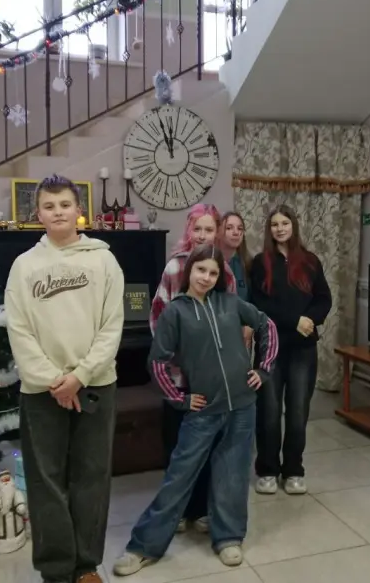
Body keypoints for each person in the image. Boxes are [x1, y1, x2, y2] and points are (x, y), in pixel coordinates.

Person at [113, 245, 278, 576]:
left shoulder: (230, 303)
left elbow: (267, 326)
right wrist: (180, 399)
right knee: (179, 477)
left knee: (233, 475)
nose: (206, 277)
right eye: (201, 270)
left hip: (242, 407)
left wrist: (263, 369)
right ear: (190, 270)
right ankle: (142, 547)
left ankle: (228, 537)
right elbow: (157, 362)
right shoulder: (175, 312)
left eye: (213, 273)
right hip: (203, 411)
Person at [5, 174, 125, 583]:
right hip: (41, 391)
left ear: (79, 211)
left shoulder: (103, 261)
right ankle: (56, 570)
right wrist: (55, 380)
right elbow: (19, 330)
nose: (57, 212)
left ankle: (86, 564)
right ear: (38, 214)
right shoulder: (24, 266)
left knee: (92, 476)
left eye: (64, 205)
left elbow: (112, 326)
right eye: (49, 206)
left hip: (96, 385)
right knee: (46, 481)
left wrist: (80, 376)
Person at [149, 204, 237, 534]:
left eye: (208, 229)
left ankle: (200, 509)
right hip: (178, 375)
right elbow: (158, 317)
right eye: (196, 228)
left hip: (210, 377)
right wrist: (179, 353)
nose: (202, 235)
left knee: (209, 446)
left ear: (217, 233)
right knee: (177, 447)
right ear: (189, 230)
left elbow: (230, 319)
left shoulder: (225, 272)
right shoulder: (175, 267)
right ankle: (176, 509)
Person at [249, 205, 332, 496]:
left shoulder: (310, 261)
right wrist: (294, 320)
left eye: (285, 223)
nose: (280, 228)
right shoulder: (260, 262)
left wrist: (310, 319)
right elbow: (259, 304)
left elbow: (324, 299)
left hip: (302, 350)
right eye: (275, 224)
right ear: (269, 229)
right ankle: (267, 470)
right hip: (269, 349)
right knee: (268, 412)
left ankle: (294, 469)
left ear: (293, 226)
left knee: (298, 412)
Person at [219, 211, 251, 301]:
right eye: (229, 228)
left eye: (240, 228)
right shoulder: (211, 262)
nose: (236, 232)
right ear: (219, 231)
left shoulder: (248, 264)